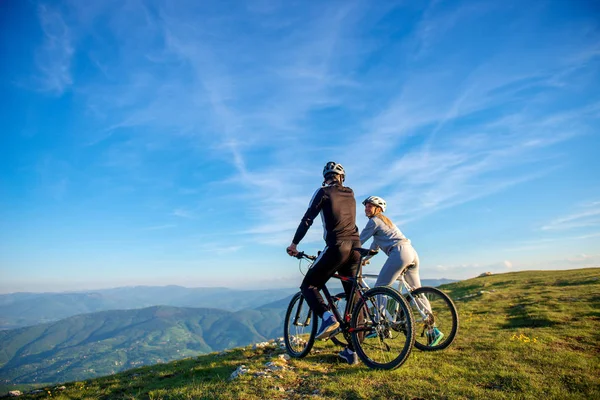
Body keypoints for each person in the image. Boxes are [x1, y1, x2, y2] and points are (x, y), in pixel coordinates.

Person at [286, 161, 362, 364]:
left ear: (325, 178)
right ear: (342, 177)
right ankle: (353, 351)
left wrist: (294, 244)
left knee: (308, 285)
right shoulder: (351, 193)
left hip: (338, 246)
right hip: (356, 248)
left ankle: (328, 318)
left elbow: (307, 218)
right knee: (353, 297)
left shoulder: (323, 192)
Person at [359, 195, 444, 346]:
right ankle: (433, 330)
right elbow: (374, 247)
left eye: (369, 206)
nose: (366, 208)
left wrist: (350, 253)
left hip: (399, 253)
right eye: (366, 205)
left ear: (378, 209)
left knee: (380, 288)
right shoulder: (385, 222)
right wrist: (366, 259)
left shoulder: (373, 222)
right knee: (417, 291)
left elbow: (359, 242)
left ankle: (381, 327)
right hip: (411, 253)